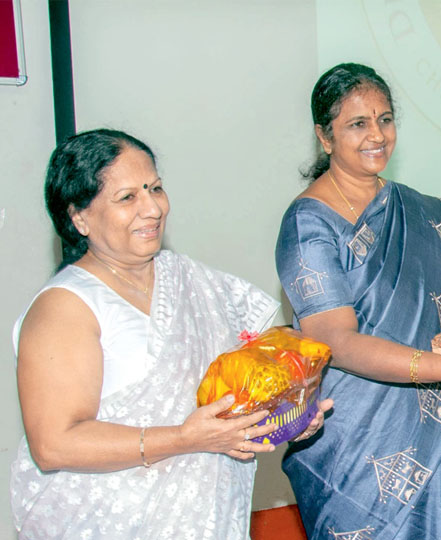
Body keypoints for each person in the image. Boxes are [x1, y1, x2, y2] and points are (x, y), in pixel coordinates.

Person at [11, 129, 332, 538]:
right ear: (79, 217)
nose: (153, 208)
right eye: (128, 197)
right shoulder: (65, 307)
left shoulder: (192, 280)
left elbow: (258, 374)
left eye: (155, 188)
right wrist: (183, 438)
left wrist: (293, 413)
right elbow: (54, 443)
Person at [275, 62, 441, 539]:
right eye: (357, 123)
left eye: (385, 118)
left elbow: (422, 314)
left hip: (426, 423)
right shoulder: (308, 224)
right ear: (325, 136)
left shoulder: (418, 210)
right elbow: (337, 340)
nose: (376, 134)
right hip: (354, 435)